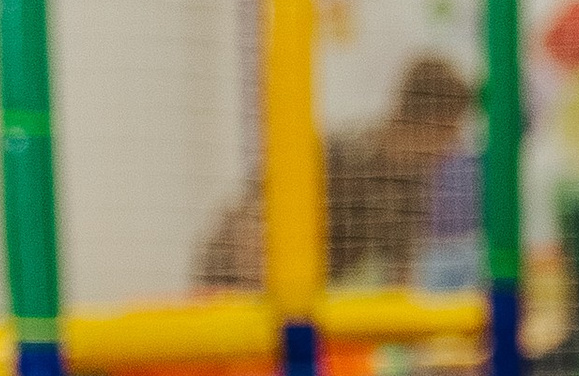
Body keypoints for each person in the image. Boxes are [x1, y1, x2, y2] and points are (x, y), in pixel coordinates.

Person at [196, 54, 475, 291]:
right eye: (451, 130)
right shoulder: (338, 156)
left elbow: (402, 275)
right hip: (235, 282)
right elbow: (253, 233)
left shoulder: (415, 179)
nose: (455, 145)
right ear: (428, 123)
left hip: (305, 298)